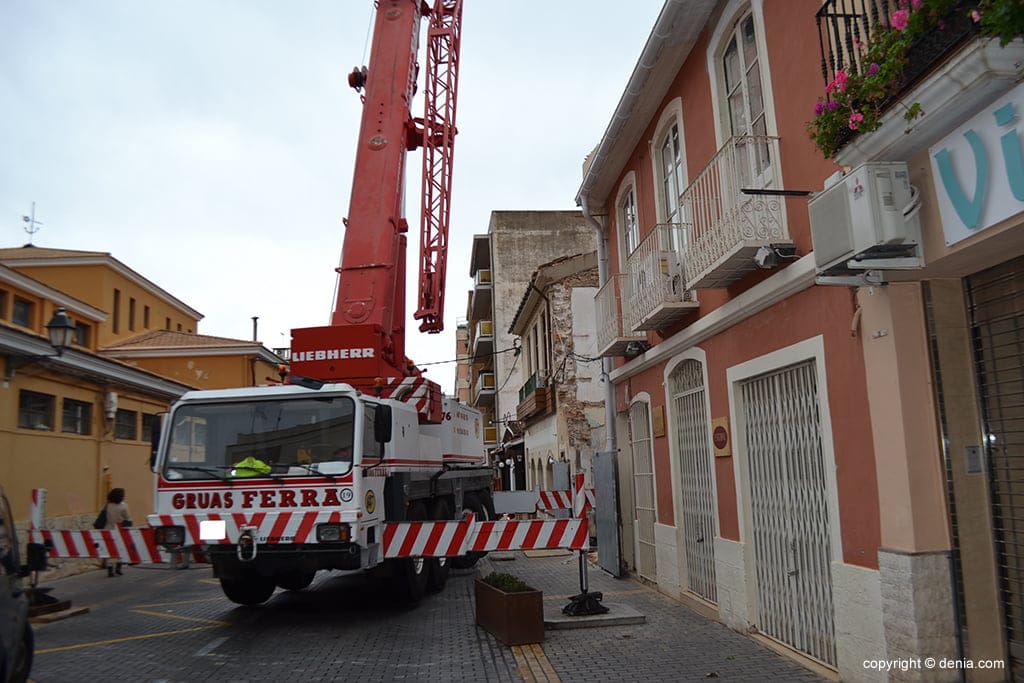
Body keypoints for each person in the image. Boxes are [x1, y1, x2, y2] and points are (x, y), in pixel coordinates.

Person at [104, 488, 132, 577]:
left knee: (110, 550)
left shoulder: (107, 506)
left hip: (108, 528)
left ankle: (110, 569)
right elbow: (128, 518)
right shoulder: (123, 506)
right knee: (120, 548)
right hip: (120, 530)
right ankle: (118, 568)